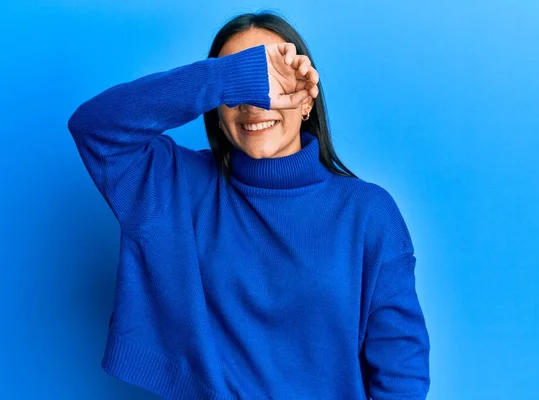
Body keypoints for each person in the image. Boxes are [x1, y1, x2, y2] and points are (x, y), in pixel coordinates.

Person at [67, 10, 430, 400]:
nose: (254, 103)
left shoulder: (367, 212)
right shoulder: (175, 186)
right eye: (240, 87)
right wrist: (228, 77)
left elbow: (401, 368)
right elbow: (95, 127)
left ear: (307, 102)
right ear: (217, 115)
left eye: (273, 83)